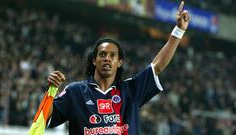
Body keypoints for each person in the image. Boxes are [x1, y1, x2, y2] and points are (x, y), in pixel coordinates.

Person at [46, 1, 189, 134]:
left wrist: (178, 31)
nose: (107, 58)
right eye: (102, 54)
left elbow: (157, 66)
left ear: (119, 62)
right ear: (94, 60)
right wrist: (50, 92)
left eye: (112, 55)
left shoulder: (131, 90)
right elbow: (45, 118)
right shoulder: (75, 91)